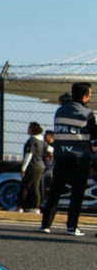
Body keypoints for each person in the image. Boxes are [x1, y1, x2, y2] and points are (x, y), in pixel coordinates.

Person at [40, 82, 97, 236]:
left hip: (61, 156)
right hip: (80, 157)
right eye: (89, 95)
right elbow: (94, 134)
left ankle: (45, 224)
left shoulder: (59, 111)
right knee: (77, 193)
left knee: (55, 190)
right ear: (85, 97)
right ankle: (72, 226)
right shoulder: (87, 113)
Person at [16, 122, 45, 213]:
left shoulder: (32, 140)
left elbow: (29, 154)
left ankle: (20, 207)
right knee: (34, 187)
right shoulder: (41, 140)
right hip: (40, 166)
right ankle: (35, 207)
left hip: (33, 166)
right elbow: (49, 149)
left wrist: (23, 168)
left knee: (24, 187)